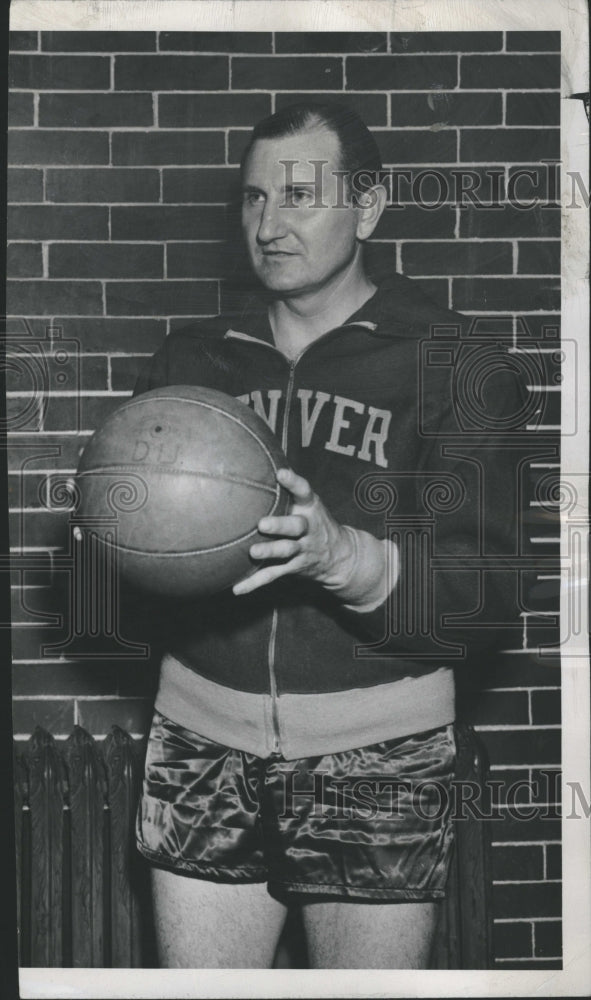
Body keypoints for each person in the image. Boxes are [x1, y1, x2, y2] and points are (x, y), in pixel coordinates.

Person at [134, 102, 522, 969]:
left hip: (377, 750)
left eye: (299, 197)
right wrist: (124, 535)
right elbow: (135, 584)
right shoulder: (191, 364)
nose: (267, 225)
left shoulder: (457, 365)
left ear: (369, 208)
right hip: (200, 738)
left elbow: (490, 599)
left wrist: (346, 559)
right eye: (251, 199)